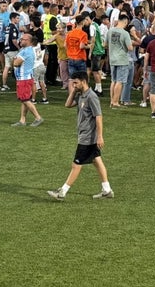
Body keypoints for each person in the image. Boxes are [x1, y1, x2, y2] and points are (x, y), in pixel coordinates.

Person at [47, 69, 113, 200]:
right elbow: (67, 105)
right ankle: (107, 190)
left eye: (76, 83)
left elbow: (98, 117)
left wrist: (100, 136)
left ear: (83, 82)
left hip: (88, 137)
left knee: (76, 164)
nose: (74, 85)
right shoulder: (81, 95)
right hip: (84, 134)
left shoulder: (91, 97)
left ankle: (62, 192)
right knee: (96, 160)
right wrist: (73, 91)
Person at [11, 32, 44, 127]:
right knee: (24, 99)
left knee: (25, 100)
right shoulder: (28, 50)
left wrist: (14, 59)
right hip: (26, 77)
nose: (21, 40)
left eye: (23, 39)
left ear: (29, 41)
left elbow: (16, 63)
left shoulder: (25, 51)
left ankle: (38, 117)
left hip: (23, 78)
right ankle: (22, 120)